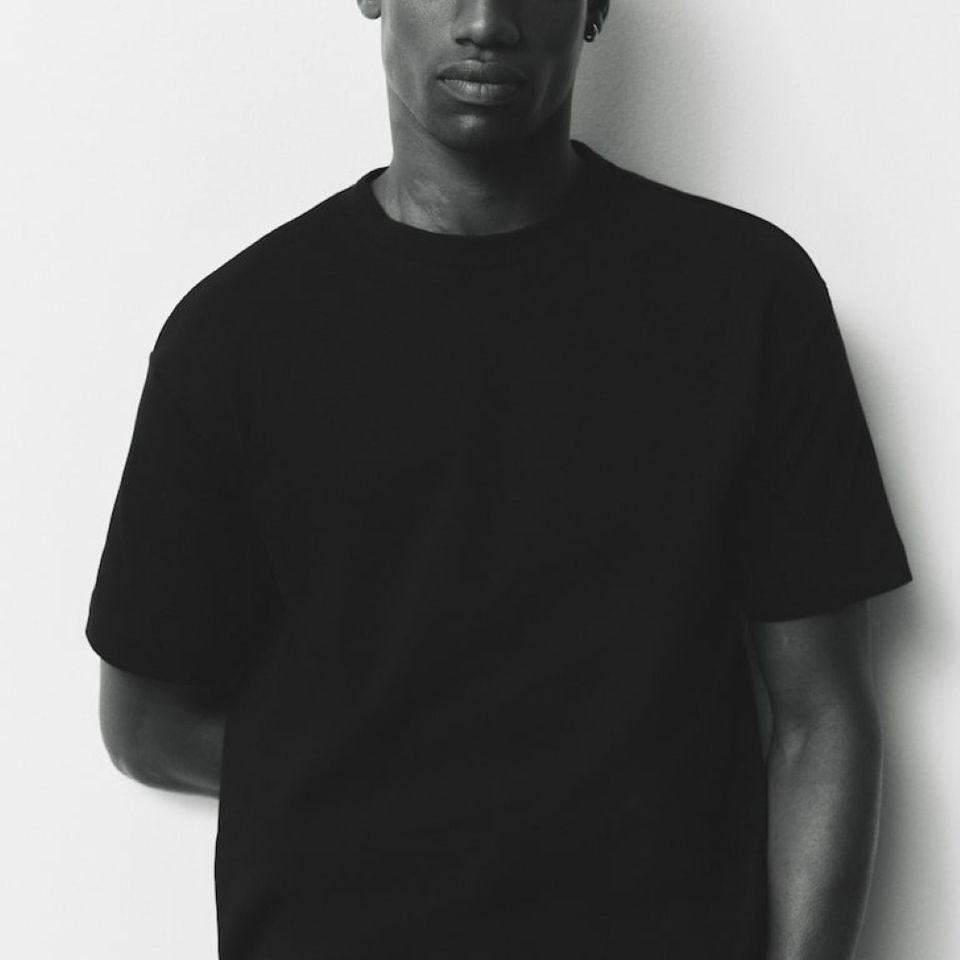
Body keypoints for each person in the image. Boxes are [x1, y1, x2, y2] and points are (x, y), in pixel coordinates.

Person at [85, 2, 913, 958]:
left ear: (595, 6)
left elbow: (821, 718)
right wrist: (433, 799)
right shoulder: (236, 336)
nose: (485, 21)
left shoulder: (745, 294)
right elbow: (144, 729)